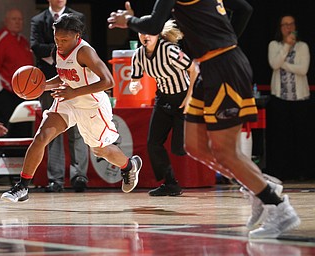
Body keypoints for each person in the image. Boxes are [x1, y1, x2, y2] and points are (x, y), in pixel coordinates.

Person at [108, 0, 300, 239]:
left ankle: (278, 206)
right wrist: (227, 41)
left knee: (225, 151)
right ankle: (260, 186)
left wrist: (128, 21)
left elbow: (155, 24)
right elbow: (245, 9)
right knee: (194, 146)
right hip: (209, 66)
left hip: (223, 66)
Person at [1, 13, 142, 203]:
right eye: (57, 39)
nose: (60, 43)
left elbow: (108, 81)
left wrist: (74, 93)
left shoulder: (85, 52)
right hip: (68, 99)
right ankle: (23, 187)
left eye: (64, 40)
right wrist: (43, 86)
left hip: (91, 104)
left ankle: (128, 166)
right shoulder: (58, 50)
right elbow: (65, 75)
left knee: (100, 150)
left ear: (77, 36)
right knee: (42, 136)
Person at [129, 19, 197, 196]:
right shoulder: (138, 55)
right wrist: (134, 86)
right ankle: (170, 184)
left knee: (179, 148)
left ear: (157, 34)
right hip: (163, 99)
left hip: (183, 98)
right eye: (141, 33)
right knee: (153, 144)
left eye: (149, 33)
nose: (145, 36)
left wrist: (190, 97)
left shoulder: (169, 50)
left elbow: (194, 69)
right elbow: (135, 80)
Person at [30, 0, 89, 192]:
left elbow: (82, 46)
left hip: (76, 80)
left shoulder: (77, 17)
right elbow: (35, 46)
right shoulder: (38, 20)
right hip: (48, 78)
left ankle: (79, 175)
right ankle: (55, 179)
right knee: (50, 130)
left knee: (77, 130)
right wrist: (58, 52)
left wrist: (58, 52)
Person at [267, 15, 311, 181]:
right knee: (281, 137)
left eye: (291, 24)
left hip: (300, 99)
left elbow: (303, 70)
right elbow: (274, 64)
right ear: (280, 28)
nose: (288, 27)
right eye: (285, 25)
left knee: (300, 137)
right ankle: (281, 172)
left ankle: (302, 171)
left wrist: (283, 64)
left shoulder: (302, 46)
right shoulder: (274, 45)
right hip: (280, 98)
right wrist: (286, 46)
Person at [0, 8, 34, 138]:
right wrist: (0, 92)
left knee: (23, 130)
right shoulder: (0, 39)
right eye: (14, 19)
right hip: (6, 94)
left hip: (24, 95)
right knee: (7, 131)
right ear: (6, 21)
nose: (18, 22)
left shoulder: (24, 42)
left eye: (20, 19)